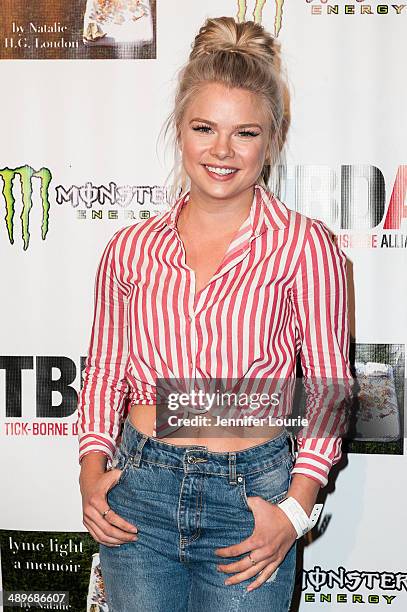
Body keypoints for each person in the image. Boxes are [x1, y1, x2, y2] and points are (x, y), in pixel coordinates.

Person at [77, 15, 354, 612]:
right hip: (139, 495)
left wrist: (297, 507)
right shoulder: (129, 248)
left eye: (245, 132)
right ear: (179, 130)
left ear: (271, 141)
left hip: (251, 498)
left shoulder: (305, 246)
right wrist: (91, 471)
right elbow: (103, 370)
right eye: (205, 127)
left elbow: (329, 387)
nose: (222, 150)